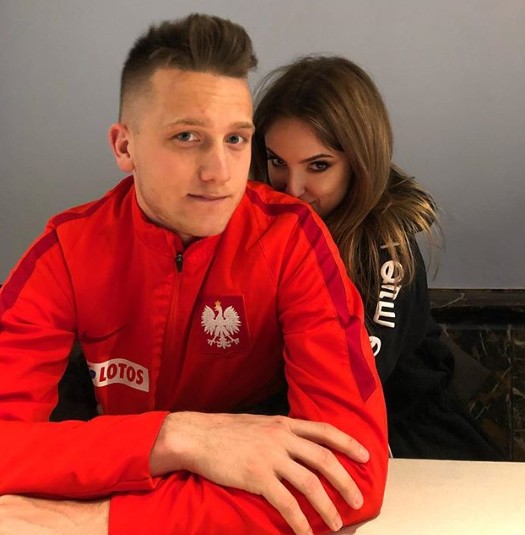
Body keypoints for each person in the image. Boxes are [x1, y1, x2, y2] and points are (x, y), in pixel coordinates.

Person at [0, 15, 388, 535]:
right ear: (124, 147)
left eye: (236, 139)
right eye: (187, 136)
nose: (219, 172)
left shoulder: (293, 239)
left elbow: (353, 477)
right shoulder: (67, 250)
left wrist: (94, 521)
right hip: (193, 493)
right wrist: (174, 437)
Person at [251, 55, 504, 461]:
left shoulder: (385, 245)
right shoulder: (258, 220)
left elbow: (349, 385)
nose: (292, 188)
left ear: (359, 163)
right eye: (277, 161)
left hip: (411, 440)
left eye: (318, 166)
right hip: (292, 434)